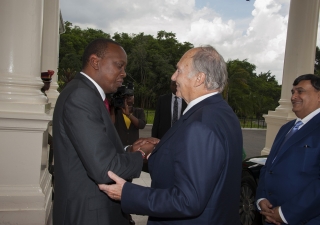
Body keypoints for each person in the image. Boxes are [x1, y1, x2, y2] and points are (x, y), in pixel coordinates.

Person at [99, 45, 243, 224]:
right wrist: (166, 147)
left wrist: (128, 193)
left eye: (179, 70)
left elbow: (188, 201)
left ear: (199, 78)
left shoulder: (200, 125)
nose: (173, 77)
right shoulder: (222, 112)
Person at [52, 38, 154, 225]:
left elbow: (95, 150)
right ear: (95, 62)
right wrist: (141, 154)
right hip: (88, 213)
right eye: (119, 65)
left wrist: (127, 150)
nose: (124, 73)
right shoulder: (81, 97)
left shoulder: (87, 94)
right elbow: (103, 169)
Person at [255, 74, 320, 225]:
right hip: (270, 216)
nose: (293, 96)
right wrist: (261, 198)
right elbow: (269, 166)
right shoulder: (286, 128)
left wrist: (285, 213)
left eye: (300, 91)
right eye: (292, 92)